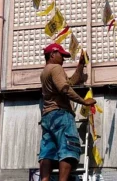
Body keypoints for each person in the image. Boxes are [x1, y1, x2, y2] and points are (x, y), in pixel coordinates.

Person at [39, 43, 96, 181]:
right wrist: (83, 101)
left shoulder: (45, 71)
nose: (63, 59)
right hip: (61, 114)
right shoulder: (56, 68)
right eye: (61, 55)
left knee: (47, 151)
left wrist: (80, 65)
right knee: (68, 148)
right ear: (52, 54)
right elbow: (64, 88)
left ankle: (44, 179)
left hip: (47, 116)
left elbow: (69, 83)